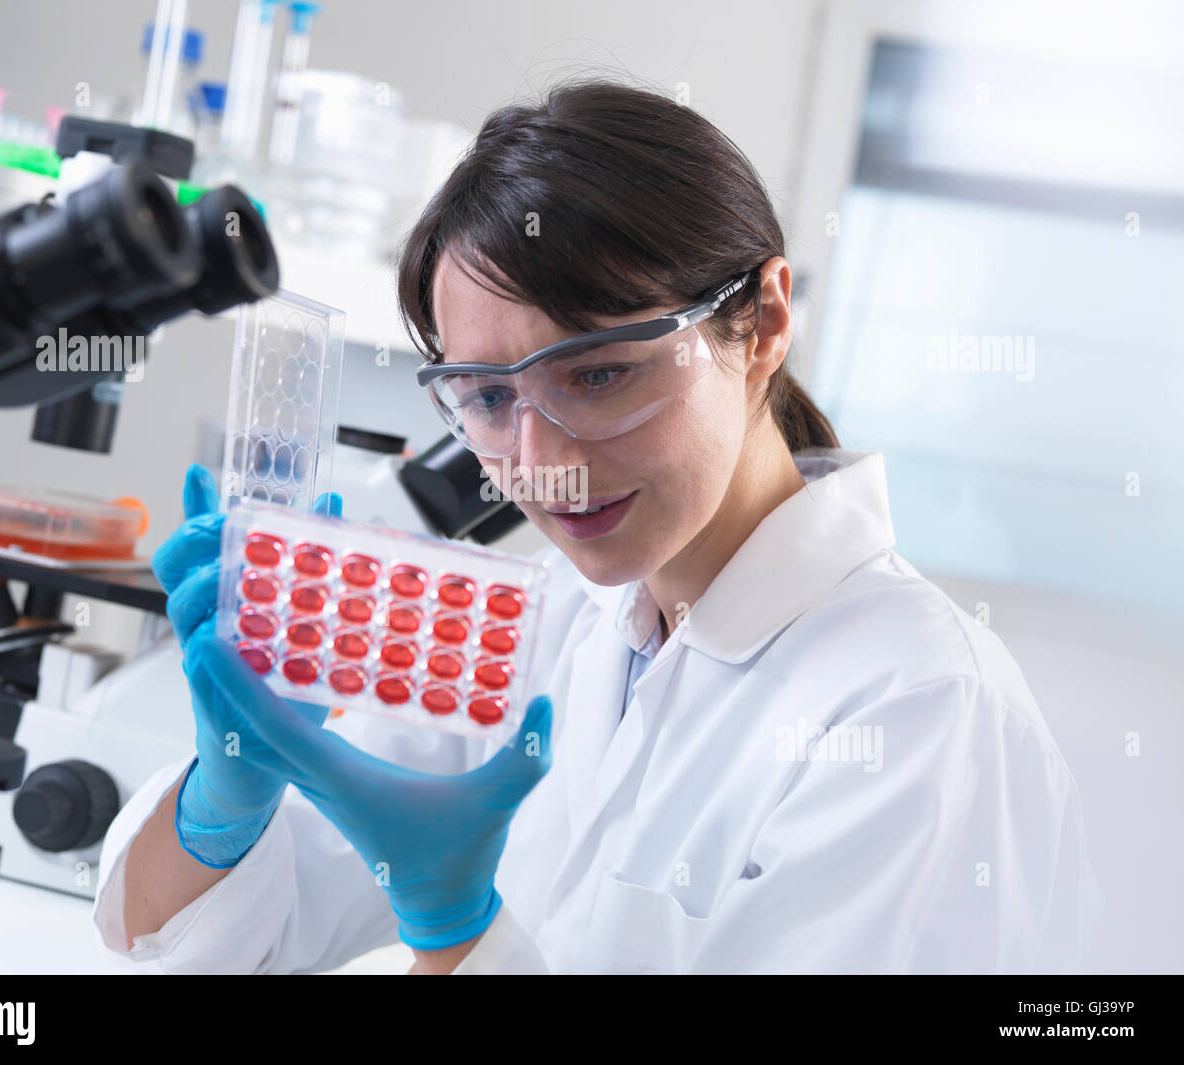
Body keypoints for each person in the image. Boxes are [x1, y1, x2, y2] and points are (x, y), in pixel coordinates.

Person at [93, 78, 1103, 974]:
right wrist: (226, 804)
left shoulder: (918, 710)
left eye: (600, 373)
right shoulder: (545, 630)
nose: (540, 463)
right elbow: (230, 947)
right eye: (486, 396)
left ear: (760, 324)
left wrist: (454, 929)